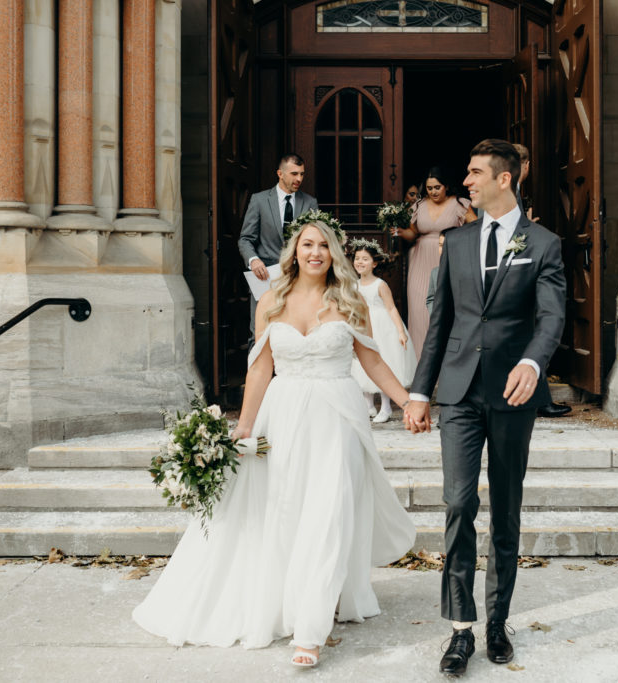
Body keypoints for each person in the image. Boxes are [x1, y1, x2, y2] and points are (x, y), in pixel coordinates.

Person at [134, 221, 416, 668]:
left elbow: (373, 360)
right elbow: (260, 369)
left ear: (335, 254)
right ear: (294, 252)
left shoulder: (351, 301)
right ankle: (289, 600)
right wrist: (244, 426)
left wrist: (406, 402)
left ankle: (310, 629)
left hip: (337, 417)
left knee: (329, 512)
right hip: (282, 418)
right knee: (284, 511)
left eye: (325, 245)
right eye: (308, 244)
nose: (316, 252)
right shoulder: (272, 300)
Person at [404, 139, 566, 676]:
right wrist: (420, 391)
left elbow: (550, 318)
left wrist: (534, 363)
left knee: (507, 510)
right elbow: (440, 322)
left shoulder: (543, 243)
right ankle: (460, 630)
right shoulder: (457, 241)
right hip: (459, 393)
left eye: (475, 173)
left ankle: (498, 622)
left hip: (513, 395)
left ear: (505, 178)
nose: (466, 181)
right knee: (457, 504)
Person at [512, 143, 571, 419]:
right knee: (534, 330)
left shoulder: (513, 192)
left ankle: (538, 397)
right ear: (526, 165)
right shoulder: (510, 192)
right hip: (517, 275)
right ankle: (537, 399)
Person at [237, 154, 318, 345]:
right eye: (294, 174)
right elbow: (245, 239)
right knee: (259, 334)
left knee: (297, 333)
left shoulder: (310, 203)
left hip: (299, 278)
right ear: (280, 174)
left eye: (302, 174)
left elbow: (315, 239)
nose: (299, 179)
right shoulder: (259, 200)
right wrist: (253, 260)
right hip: (265, 278)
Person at [395, 167, 477, 356]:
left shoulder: (460, 204)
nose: (433, 192)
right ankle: (420, 360)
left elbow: (475, 229)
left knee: (443, 309)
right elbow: (412, 233)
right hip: (420, 260)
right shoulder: (420, 205)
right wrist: (400, 232)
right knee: (418, 310)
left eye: (437, 187)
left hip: (448, 258)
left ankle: (446, 360)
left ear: (446, 186)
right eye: (430, 188)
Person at [349, 239, 417, 423]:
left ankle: (386, 407)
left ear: (375, 263)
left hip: (382, 326)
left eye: (365, 259)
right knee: (361, 364)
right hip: (363, 325)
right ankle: (368, 405)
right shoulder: (353, 285)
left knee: (384, 362)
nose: (360, 262)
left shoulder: (380, 285)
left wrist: (400, 332)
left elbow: (391, 308)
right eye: (357, 258)